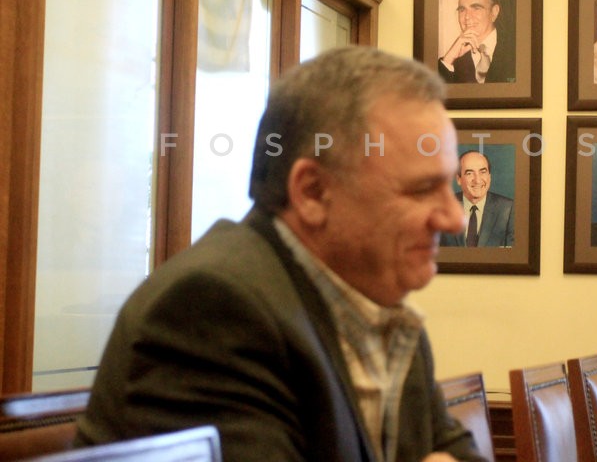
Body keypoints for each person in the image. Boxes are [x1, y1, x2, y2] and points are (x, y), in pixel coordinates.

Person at [75, 47, 485, 462]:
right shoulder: (214, 309)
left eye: (448, 185)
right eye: (421, 189)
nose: (454, 219)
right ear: (312, 192)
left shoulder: (379, 307)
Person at [438, 0, 515, 84]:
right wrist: (448, 59)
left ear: (494, 12)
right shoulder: (454, 60)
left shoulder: (516, 48)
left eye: (476, 8)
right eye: (462, 10)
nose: (467, 17)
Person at [440, 150, 515, 247]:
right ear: (458, 179)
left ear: (489, 177)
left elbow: (514, 253)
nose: (477, 180)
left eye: (483, 172)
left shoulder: (508, 209)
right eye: (469, 173)